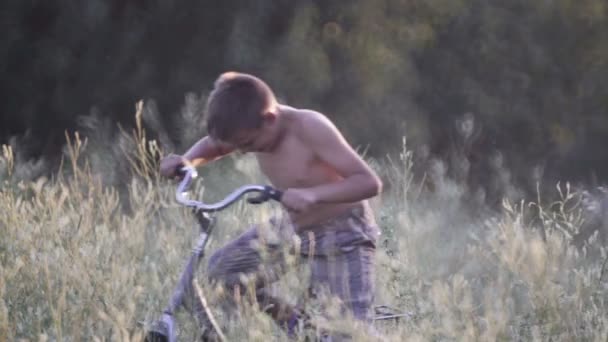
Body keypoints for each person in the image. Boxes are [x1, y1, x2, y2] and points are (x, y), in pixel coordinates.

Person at [160, 72, 383, 340]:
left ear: (270, 119)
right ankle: (298, 326)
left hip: (344, 233)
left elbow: (369, 183)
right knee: (223, 273)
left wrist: (314, 194)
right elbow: (217, 146)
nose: (242, 152)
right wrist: (186, 162)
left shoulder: (310, 127)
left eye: (248, 144)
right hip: (295, 227)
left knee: (349, 333)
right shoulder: (249, 130)